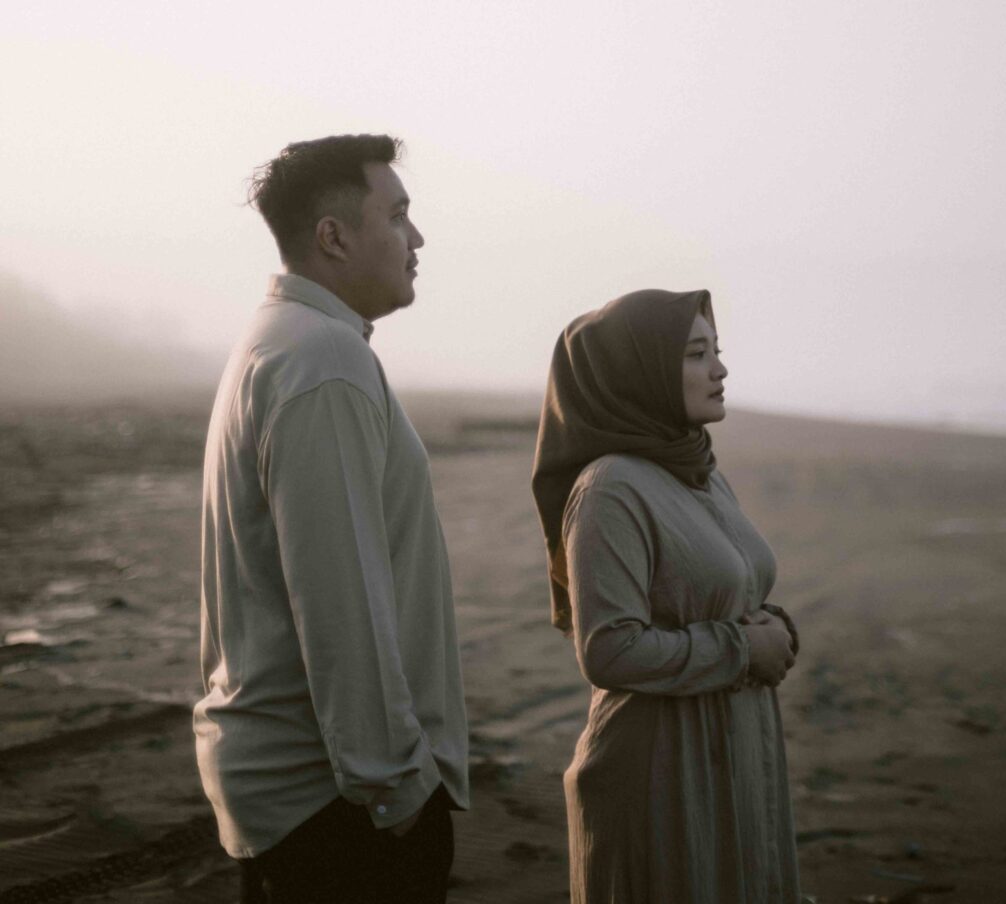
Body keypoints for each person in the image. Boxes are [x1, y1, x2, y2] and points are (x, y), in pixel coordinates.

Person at [194, 134, 468, 904]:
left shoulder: (283, 342)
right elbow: (337, 596)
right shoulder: (322, 361)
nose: (417, 239)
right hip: (340, 807)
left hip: (309, 793)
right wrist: (397, 790)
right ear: (334, 236)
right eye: (399, 215)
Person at [532, 289, 802, 903]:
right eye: (696, 354)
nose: (720, 369)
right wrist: (741, 649)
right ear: (640, 373)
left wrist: (775, 628)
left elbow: (729, 589)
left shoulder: (700, 472)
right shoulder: (610, 488)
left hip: (734, 745)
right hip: (660, 764)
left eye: (717, 350)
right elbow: (608, 651)